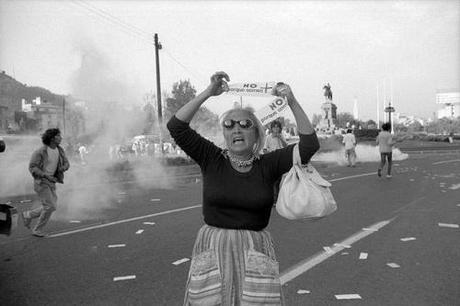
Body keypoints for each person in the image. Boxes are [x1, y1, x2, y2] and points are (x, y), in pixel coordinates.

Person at [167, 72, 319, 305]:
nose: (236, 129)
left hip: (254, 250)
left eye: (245, 124)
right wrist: (209, 92)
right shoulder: (211, 157)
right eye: (229, 125)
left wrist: (292, 102)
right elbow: (176, 126)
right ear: (225, 133)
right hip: (212, 248)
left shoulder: (268, 164)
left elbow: (309, 145)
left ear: (257, 133)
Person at [22, 128, 70, 237]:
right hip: (41, 182)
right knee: (50, 206)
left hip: (52, 182)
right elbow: (32, 167)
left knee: (52, 206)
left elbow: (67, 163)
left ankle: (28, 215)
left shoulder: (60, 150)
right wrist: (45, 175)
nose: (61, 137)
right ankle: (37, 230)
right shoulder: (40, 152)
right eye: (58, 136)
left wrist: (63, 167)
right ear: (52, 138)